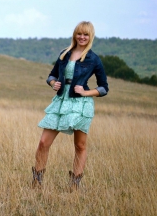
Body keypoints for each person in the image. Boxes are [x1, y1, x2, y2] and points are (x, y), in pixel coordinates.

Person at [31, 21, 109, 191]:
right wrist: (53, 83)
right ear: (75, 35)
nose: (82, 37)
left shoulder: (93, 59)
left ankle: (74, 186)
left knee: (80, 145)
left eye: (86, 34)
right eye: (79, 33)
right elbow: (51, 76)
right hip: (60, 101)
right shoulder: (64, 54)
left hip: (80, 104)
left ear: (91, 37)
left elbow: (104, 88)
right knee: (43, 142)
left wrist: (85, 92)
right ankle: (36, 183)